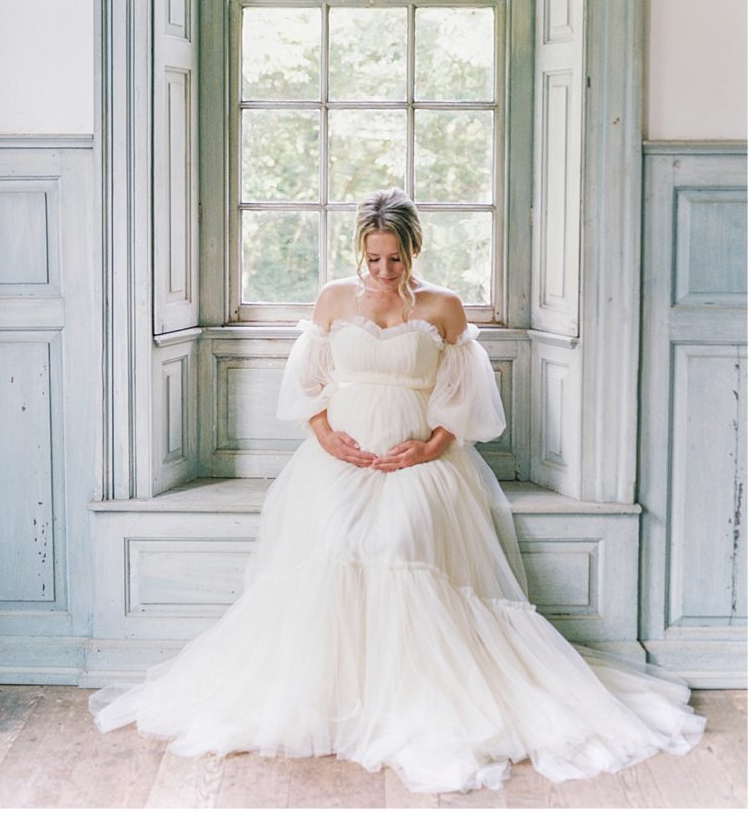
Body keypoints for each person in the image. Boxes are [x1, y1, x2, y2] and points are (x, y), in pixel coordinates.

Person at [90, 187, 705, 794]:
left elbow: (464, 403)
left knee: (398, 540)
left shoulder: (443, 308)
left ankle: (412, 694)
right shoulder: (333, 299)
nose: (383, 271)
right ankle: (330, 695)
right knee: (334, 543)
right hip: (340, 459)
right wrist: (328, 438)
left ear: (414, 250)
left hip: (420, 461)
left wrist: (428, 447)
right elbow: (308, 386)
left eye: (395, 258)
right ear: (359, 252)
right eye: (373, 258)